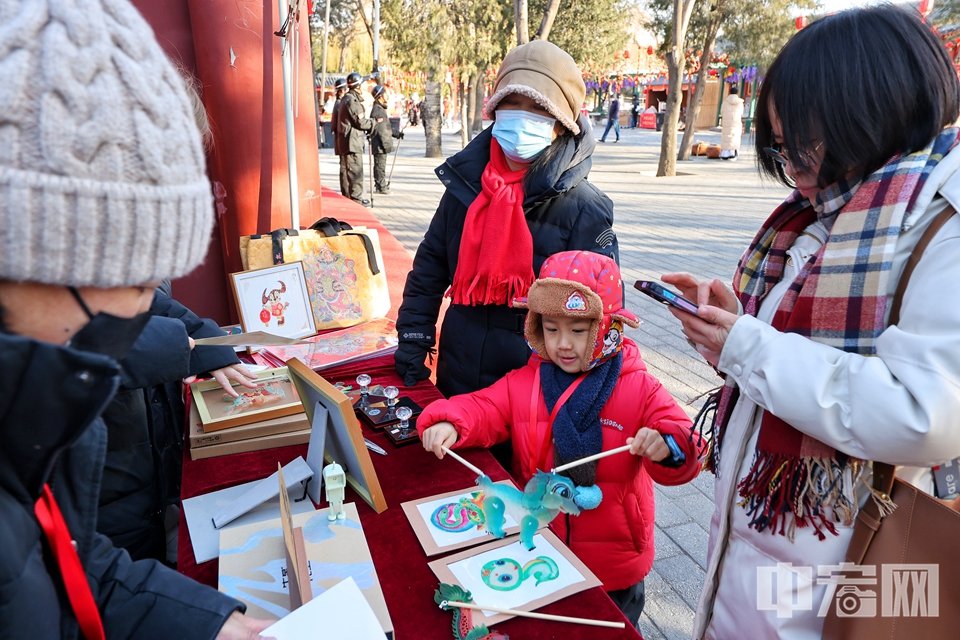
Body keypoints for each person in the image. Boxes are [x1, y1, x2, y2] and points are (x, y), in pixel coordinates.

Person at [662, 7, 960, 638]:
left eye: (799, 139)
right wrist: (731, 327)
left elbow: (924, 414)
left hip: (851, 559)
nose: (787, 160)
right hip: (763, 555)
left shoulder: (941, 225)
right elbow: (791, 353)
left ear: (867, 111)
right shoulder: (826, 213)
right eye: (780, 142)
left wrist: (748, 347)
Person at [0, 2, 270, 638]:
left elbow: (70, 560)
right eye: (128, 278)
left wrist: (212, 626)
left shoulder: (32, 416)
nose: (138, 307)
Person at [418, 251, 702, 629]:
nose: (563, 344)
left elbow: (688, 438)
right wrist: (451, 422)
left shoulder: (639, 387)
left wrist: (668, 445)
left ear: (607, 327)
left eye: (578, 330)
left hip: (615, 561)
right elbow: (486, 406)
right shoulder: (529, 380)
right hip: (542, 545)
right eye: (551, 329)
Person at [395, 40, 619, 400]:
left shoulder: (584, 207)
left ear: (561, 124)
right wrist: (414, 336)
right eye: (511, 103)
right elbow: (430, 267)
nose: (520, 115)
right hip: (458, 369)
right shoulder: (464, 186)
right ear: (495, 109)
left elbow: (597, 315)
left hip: (533, 390)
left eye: (537, 108)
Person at [97, 284, 258, 563]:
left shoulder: (124, 279)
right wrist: (179, 344)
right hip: (112, 473)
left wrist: (212, 351)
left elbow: (154, 302)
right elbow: (82, 343)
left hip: (148, 445)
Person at [335, 71, 372, 206]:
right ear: (357, 86)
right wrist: (373, 124)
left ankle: (354, 198)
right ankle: (356, 201)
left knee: (351, 172)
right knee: (356, 173)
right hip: (352, 143)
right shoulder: (352, 101)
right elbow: (360, 122)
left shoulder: (346, 99)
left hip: (349, 141)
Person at [369, 84, 403, 195]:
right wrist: (386, 144)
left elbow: (387, 126)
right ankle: (381, 186)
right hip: (379, 143)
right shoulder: (377, 110)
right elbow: (381, 130)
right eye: (384, 94)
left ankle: (380, 184)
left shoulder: (381, 109)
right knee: (379, 165)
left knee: (381, 165)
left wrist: (396, 133)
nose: (386, 96)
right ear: (380, 96)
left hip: (381, 142)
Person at [719, 85, 744, 160]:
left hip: (727, 122)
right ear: (737, 93)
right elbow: (741, 112)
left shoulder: (725, 102)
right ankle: (733, 154)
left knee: (726, 138)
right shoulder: (739, 102)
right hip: (736, 122)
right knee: (734, 138)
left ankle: (724, 154)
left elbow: (722, 111)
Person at [329, 78, 347, 156]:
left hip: (340, 138)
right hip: (342, 139)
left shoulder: (338, 103)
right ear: (342, 91)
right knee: (344, 165)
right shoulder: (340, 105)